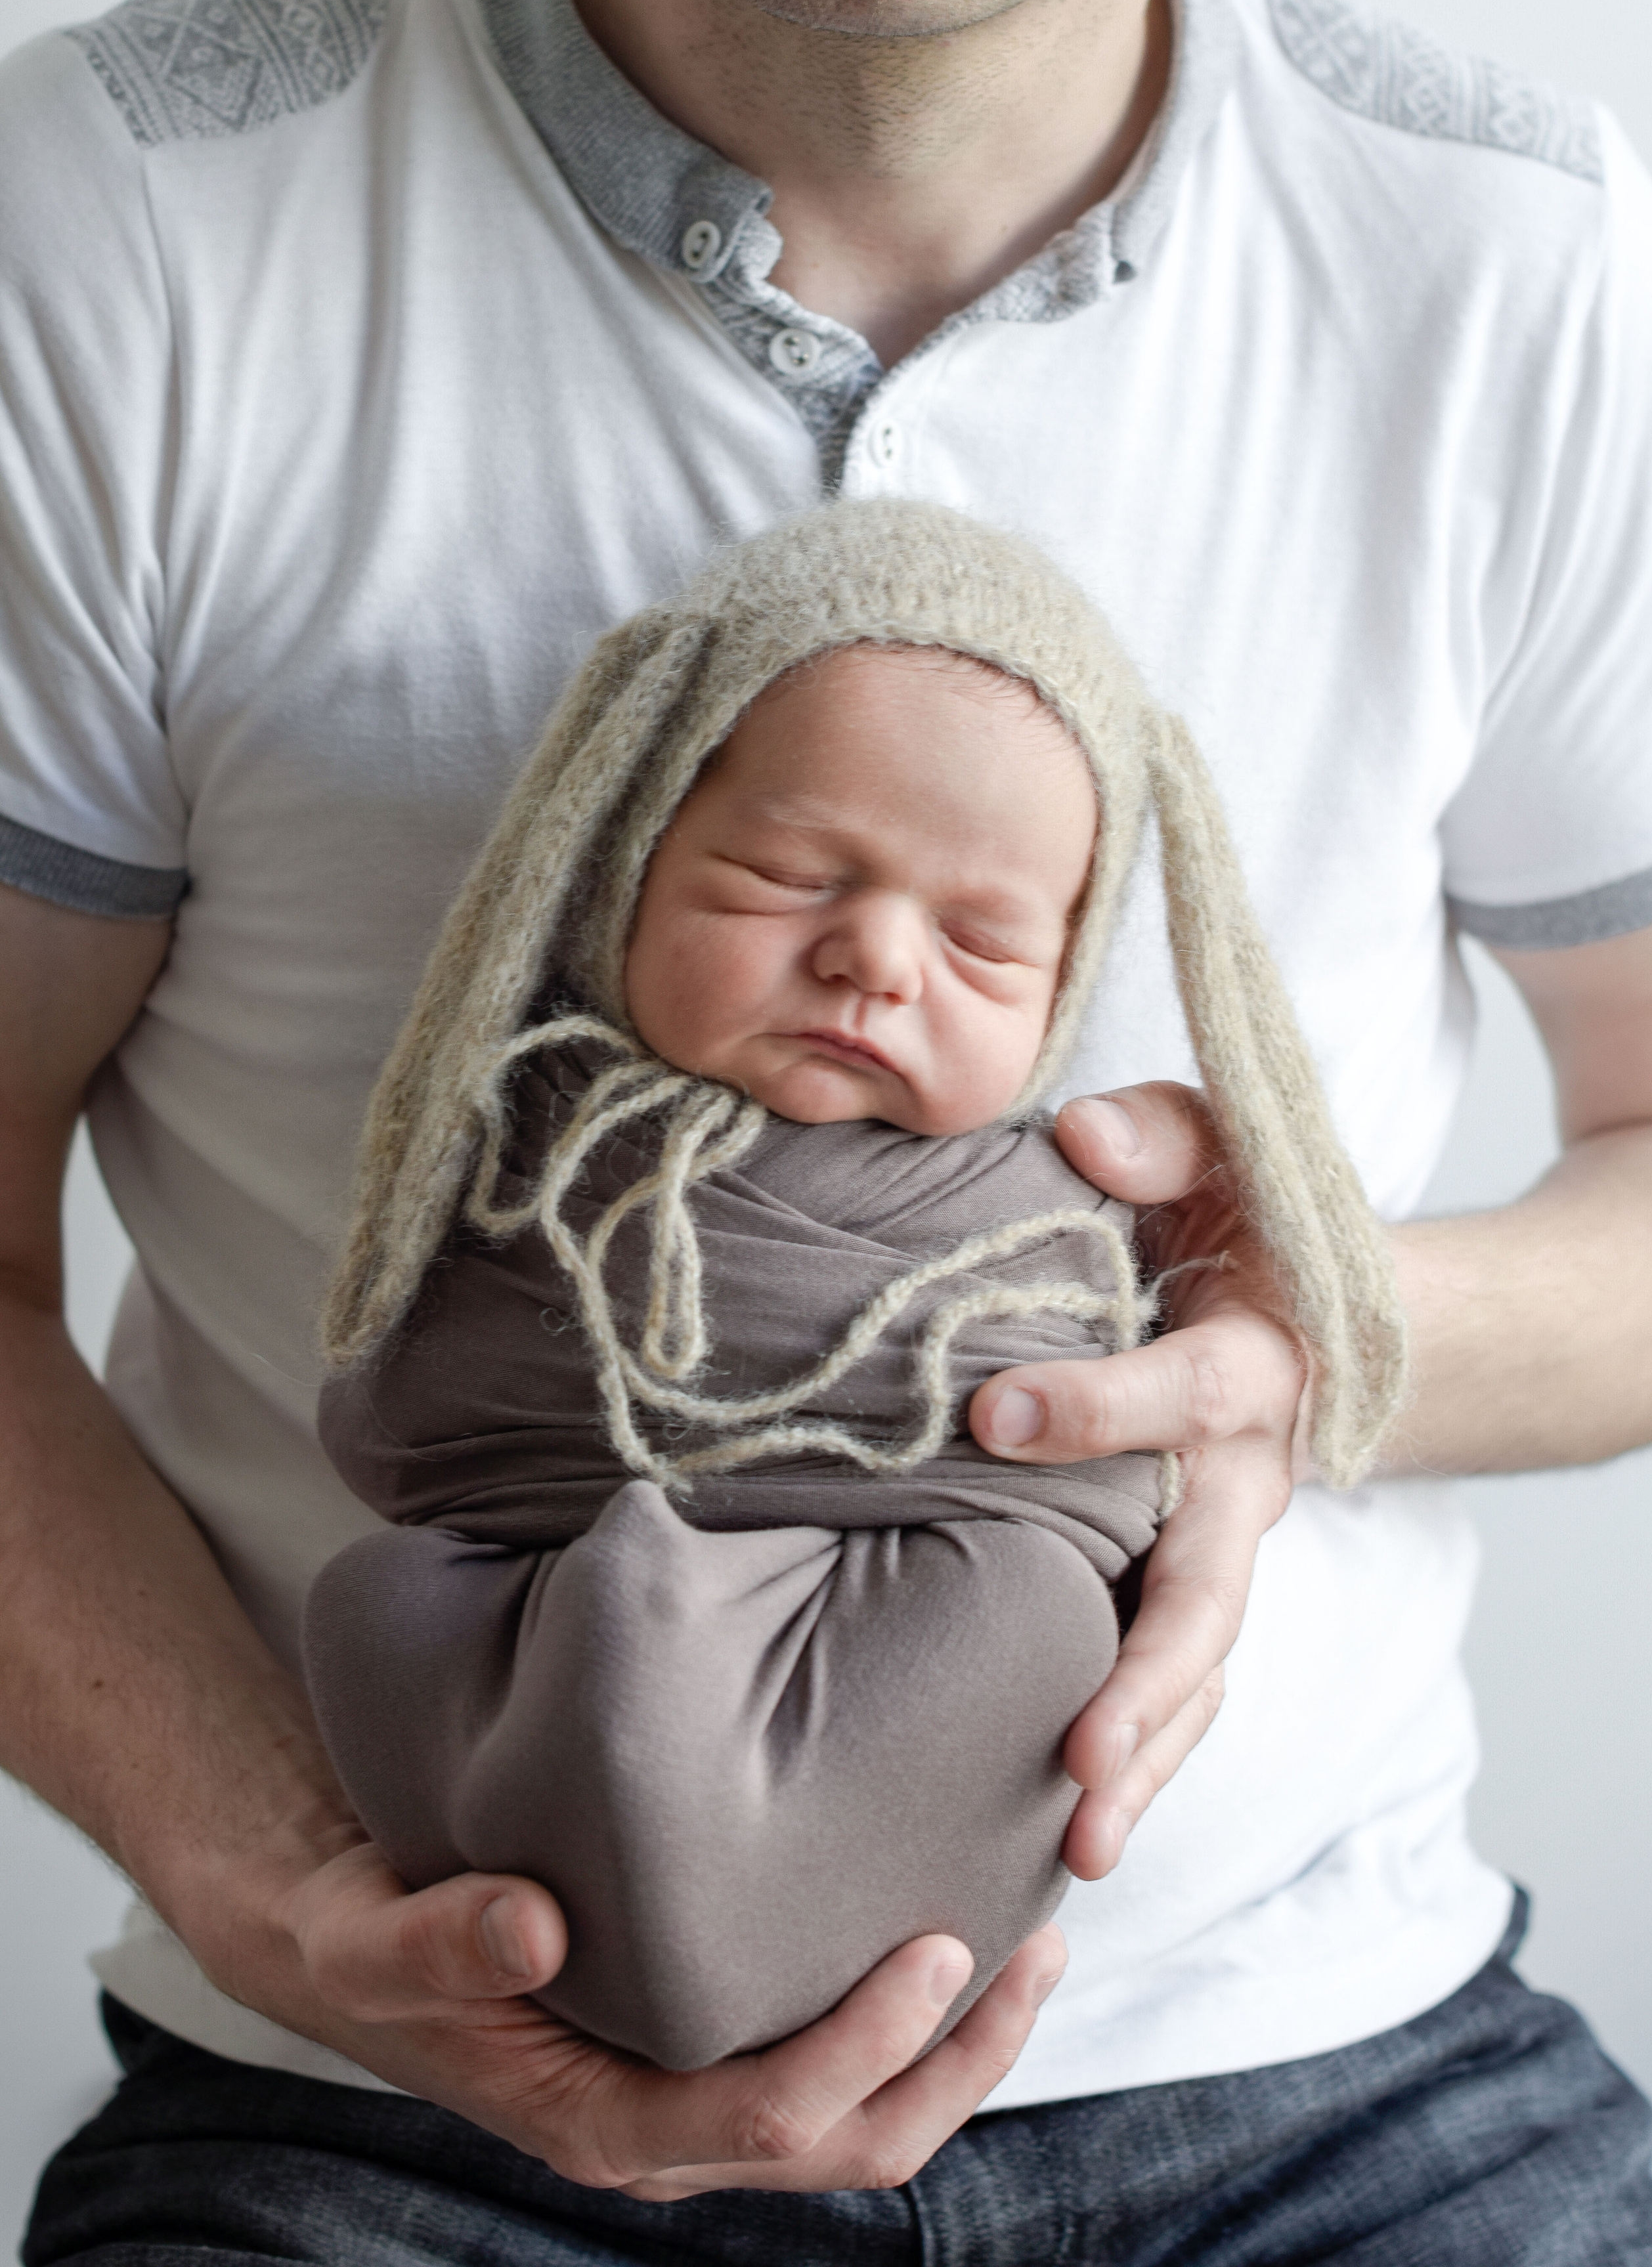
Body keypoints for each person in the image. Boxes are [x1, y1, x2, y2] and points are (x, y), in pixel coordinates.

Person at [1, 0, 1652, 2257]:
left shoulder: (1515, 253)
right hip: (371, 2101)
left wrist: (1290, 1337)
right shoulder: (125, 217)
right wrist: (292, 1901)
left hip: (1319, 2083)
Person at [300, 499, 1404, 2073]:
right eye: (784, 874)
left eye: (979, 941)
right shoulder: (534, 1149)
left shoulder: (1043, 1207)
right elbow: (398, 1431)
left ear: (1068, 987)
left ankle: (802, 1939)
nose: (876, 960)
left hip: (1196, 1935)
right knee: (378, 1602)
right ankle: (623, 1913)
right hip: (510, 1749)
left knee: (1025, 1614)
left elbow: (1092, 1502)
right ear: (623, 855)